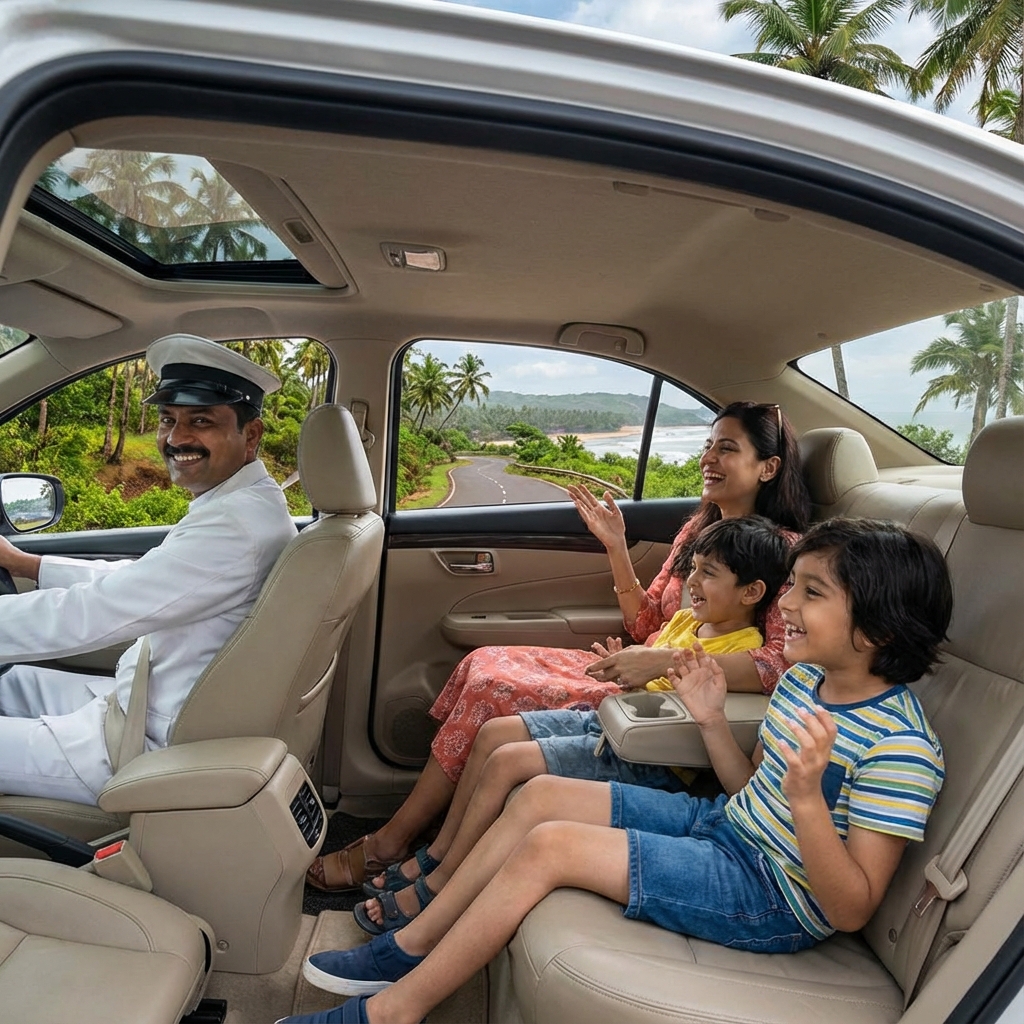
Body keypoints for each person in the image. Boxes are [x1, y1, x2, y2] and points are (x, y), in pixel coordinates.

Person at [285, 518, 951, 1024]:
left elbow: (851, 907)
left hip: (773, 895)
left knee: (551, 847)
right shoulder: (805, 682)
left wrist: (807, 801)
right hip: (725, 827)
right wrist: (714, 721)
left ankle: (394, 1009)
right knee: (539, 795)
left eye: (811, 593)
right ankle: (411, 945)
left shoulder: (899, 747)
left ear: (880, 626)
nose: (784, 607)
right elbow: (747, 791)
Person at [308, 401, 812, 891]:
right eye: (707, 446)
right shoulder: (694, 532)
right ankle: (448, 834)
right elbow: (645, 621)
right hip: (638, 668)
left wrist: (658, 659)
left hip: (658, 700)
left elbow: (775, 665)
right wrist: (615, 545)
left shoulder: (786, 553)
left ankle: (394, 843)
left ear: (768, 467)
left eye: (726, 449)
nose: (708, 459)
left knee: (492, 689)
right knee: (483, 662)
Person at [357, 515, 790, 933]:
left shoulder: (738, 653)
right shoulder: (688, 620)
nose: (692, 582)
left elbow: (682, 709)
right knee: (492, 734)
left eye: (708, 573)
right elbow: (650, 670)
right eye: (693, 568)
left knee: (508, 762)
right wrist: (621, 665)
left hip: (645, 756)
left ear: (752, 592)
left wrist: (650, 680)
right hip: (613, 721)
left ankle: (441, 883)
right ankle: (440, 854)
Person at [0, 334, 297, 804]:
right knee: (10, 680)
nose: (177, 438)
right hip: (139, 704)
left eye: (201, 421)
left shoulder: (236, 526)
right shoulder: (242, 504)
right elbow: (141, 582)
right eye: (167, 420)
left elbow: (99, 612)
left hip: (138, 743)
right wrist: (27, 564)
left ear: (251, 435)